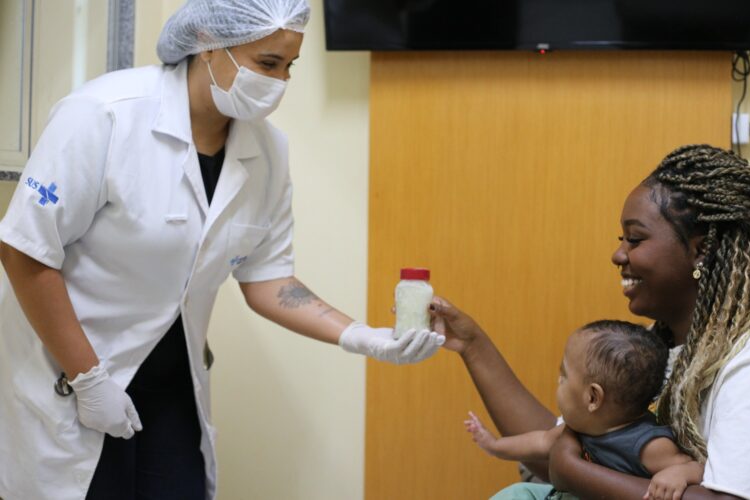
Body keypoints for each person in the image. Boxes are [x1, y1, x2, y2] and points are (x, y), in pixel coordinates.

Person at [0, 1, 444, 498]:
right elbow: (27, 252)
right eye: (268, 64)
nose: (280, 83)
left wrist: (361, 336)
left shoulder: (268, 151)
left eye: (289, 67)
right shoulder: (105, 115)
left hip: (170, 390)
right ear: (209, 44)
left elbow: (268, 280)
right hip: (68, 378)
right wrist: (86, 377)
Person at [432, 144, 750, 499]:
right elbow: (575, 454)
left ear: (700, 250)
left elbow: (576, 469)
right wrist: (472, 344)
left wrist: (573, 471)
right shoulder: (659, 350)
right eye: (621, 238)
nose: (618, 254)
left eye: (635, 239)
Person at [463, 320, 702, 500]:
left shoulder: (650, 445)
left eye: (564, 376)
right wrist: (494, 445)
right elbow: (538, 441)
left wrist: (679, 474)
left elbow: (697, 468)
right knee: (517, 494)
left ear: (593, 397)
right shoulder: (580, 427)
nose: (558, 382)